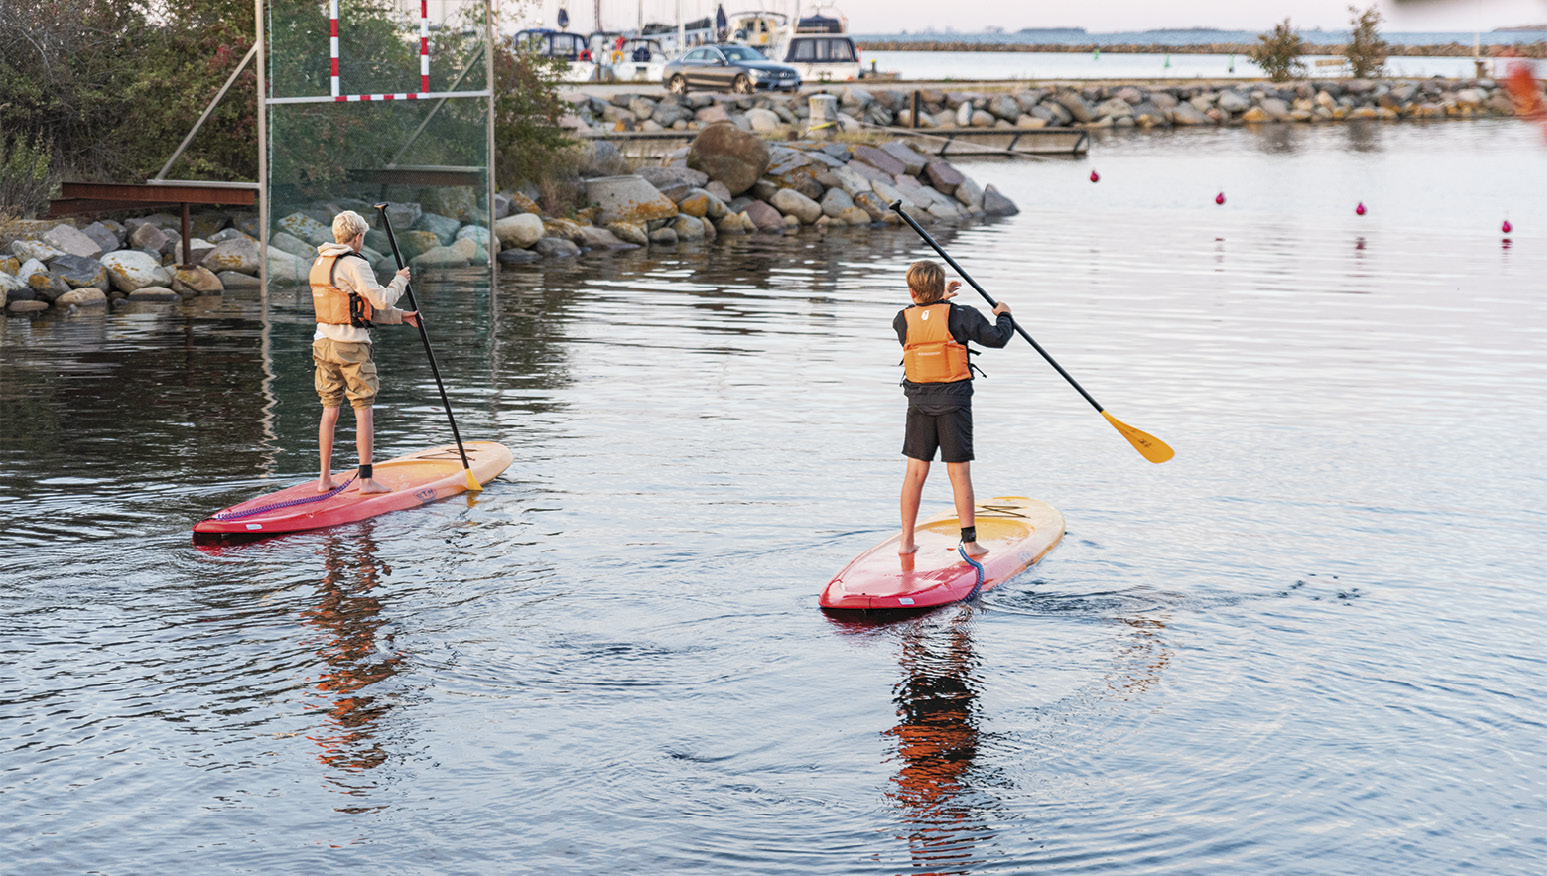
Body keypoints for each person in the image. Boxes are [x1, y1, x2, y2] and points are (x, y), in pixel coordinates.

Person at [894, 260, 1013, 557]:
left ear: (911, 292)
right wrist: (1005, 316)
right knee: (959, 473)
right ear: (939, 286)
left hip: (919, 403)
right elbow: (997, 339)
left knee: (915, 472)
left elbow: (927, 318)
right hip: (954, 403)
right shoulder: (964, 316)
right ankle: (970, 542)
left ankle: (906, 542)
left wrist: (939, 299)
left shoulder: (901, 320)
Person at [310, 210, 418, 494]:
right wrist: (400, 280)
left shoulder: (321, 261)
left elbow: (349, 309)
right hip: (352, 348)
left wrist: (400, 316)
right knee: (363, 410)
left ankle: (324, 480)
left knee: (330, 410)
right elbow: (380, 300)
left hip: (322, 344)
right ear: (358, 237)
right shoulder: (354, 264)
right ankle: (366, 480)